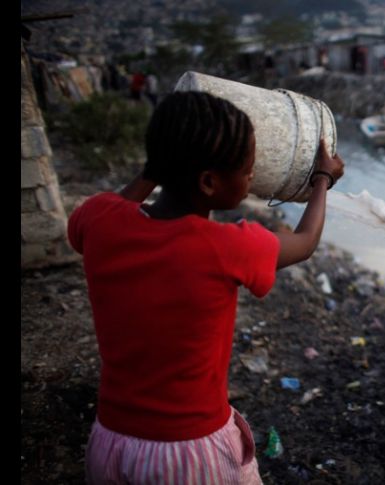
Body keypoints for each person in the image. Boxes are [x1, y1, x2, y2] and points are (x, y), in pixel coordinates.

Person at [68, 91, 345, 484]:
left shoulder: (99, 219)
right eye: (247, 169)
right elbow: (305, 241)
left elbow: (102, 212)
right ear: (209, 182)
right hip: (190, 454)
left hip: (110, 443)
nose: (252, 176)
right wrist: (322, 179)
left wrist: (161, 163)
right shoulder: (228, 247)